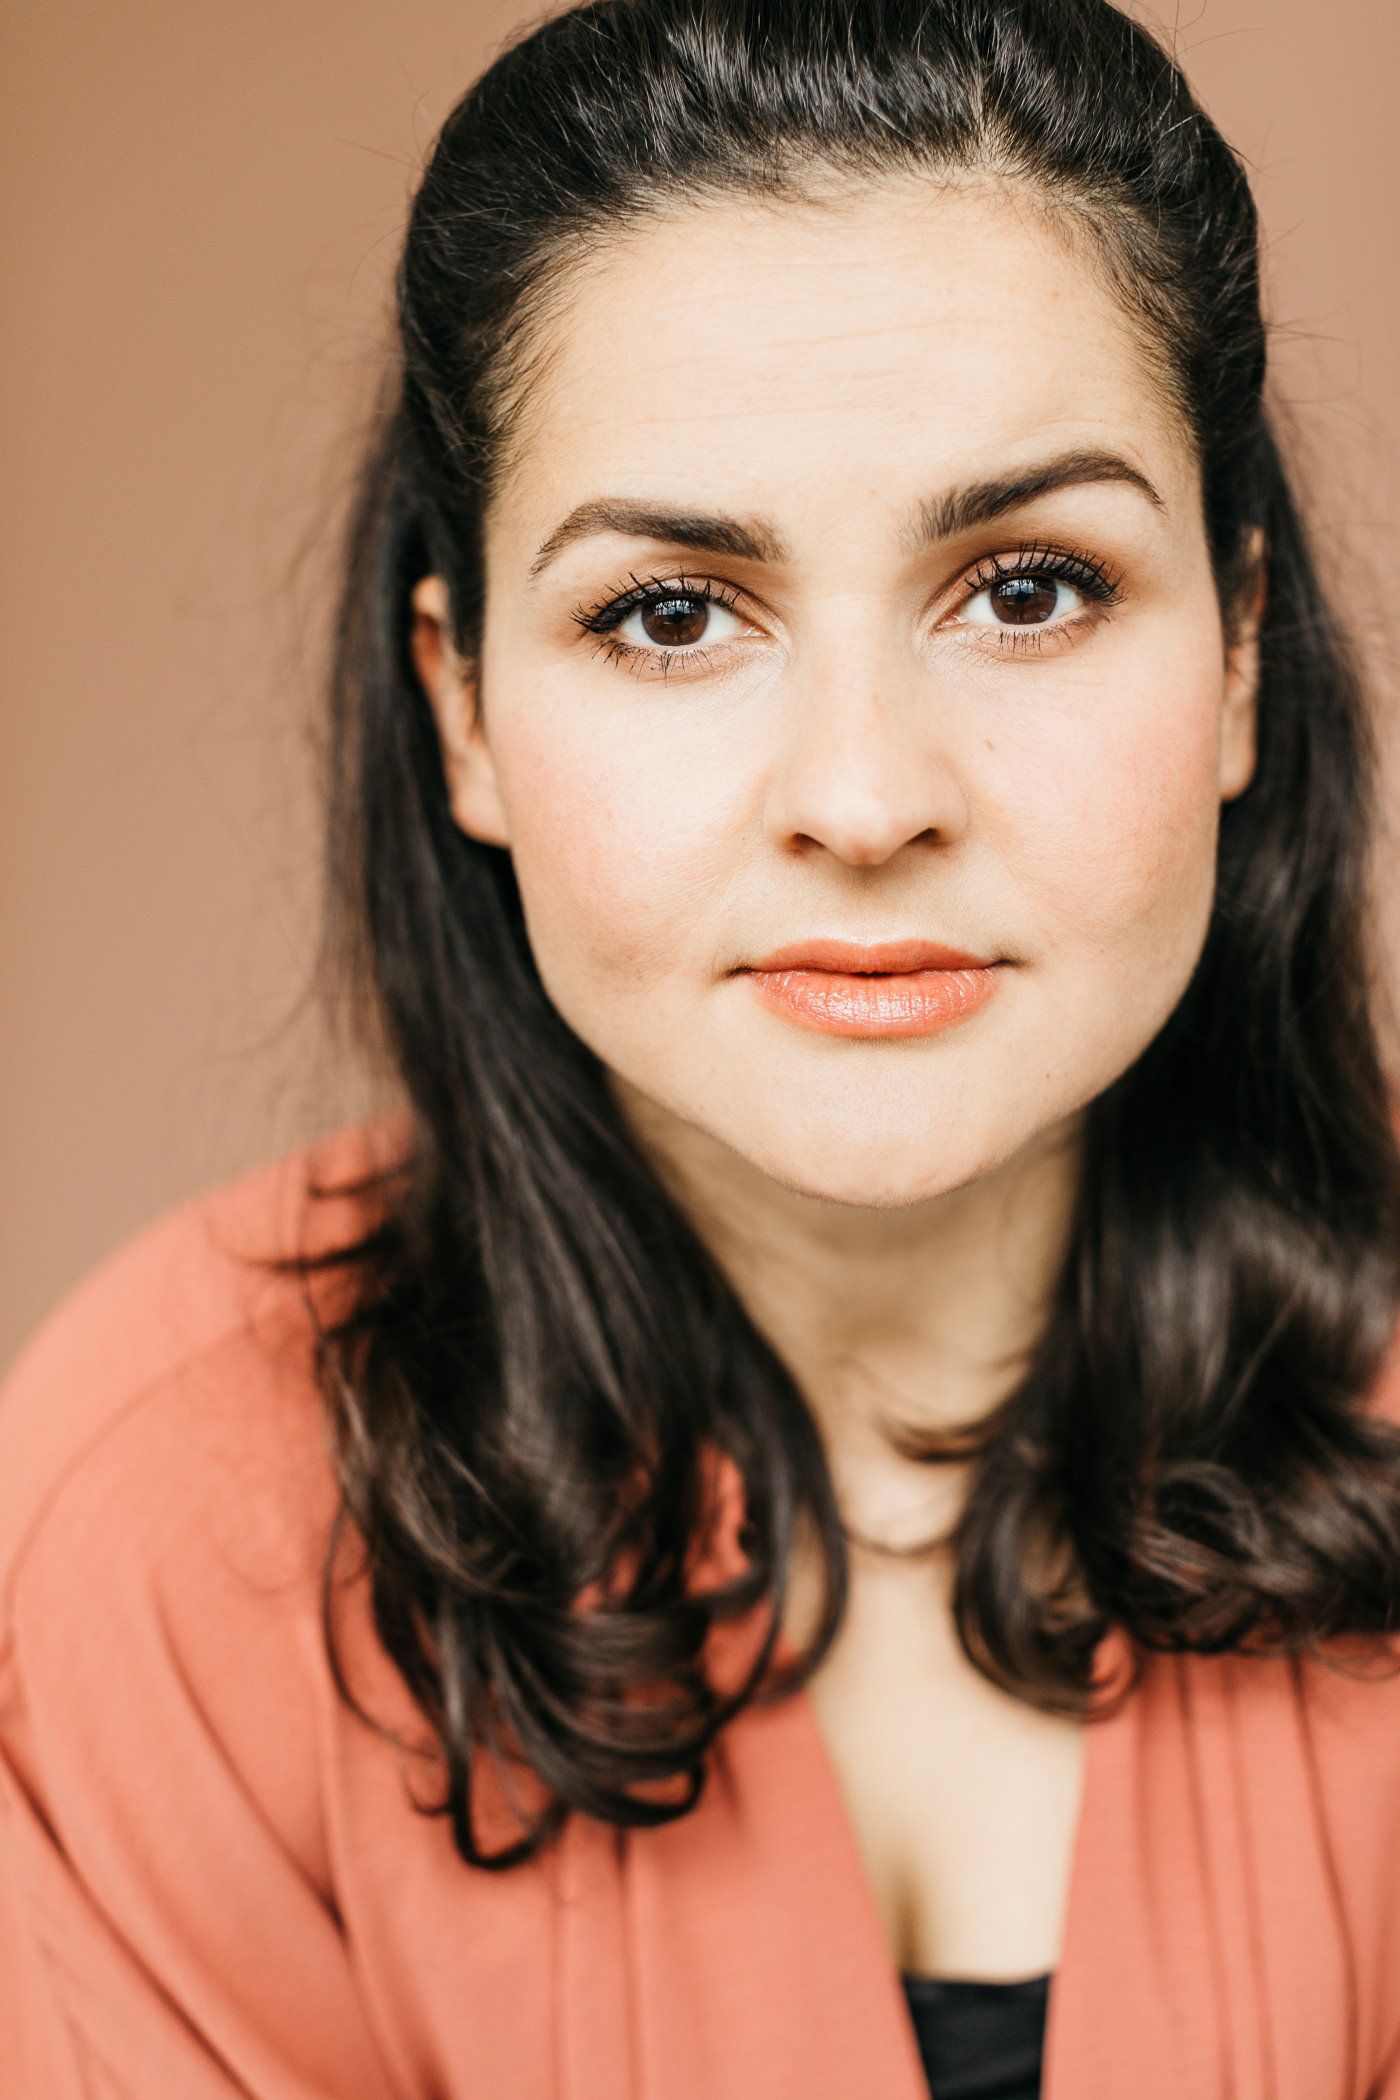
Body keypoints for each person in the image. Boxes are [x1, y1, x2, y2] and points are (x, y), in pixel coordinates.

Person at [4, 0, 1400, 2094]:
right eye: (671, 613)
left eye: (1028, 588)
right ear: (465, 710)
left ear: (1236, 654)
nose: (864, 796)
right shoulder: (160, 1533)